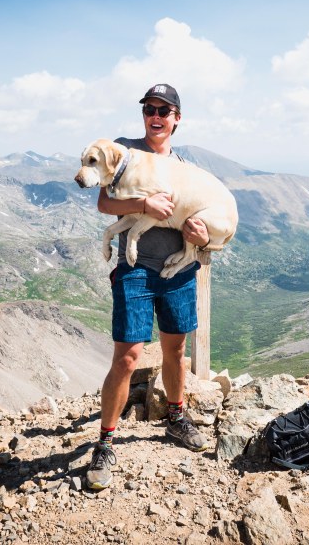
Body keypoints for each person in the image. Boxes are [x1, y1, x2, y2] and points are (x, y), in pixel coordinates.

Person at [86, 83, 211, 490]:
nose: (155, 116)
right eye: (149, 109)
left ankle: (175, 416)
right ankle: (105, 441)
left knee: (176, 350)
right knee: (127, 357)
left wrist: (202, 234)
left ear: (177, 118)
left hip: (177, 270)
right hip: (134, 269)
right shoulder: (122, 150)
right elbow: (105, 204)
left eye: (164, 110)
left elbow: (203, 222)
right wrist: (142, 205)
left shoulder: (184, 168)